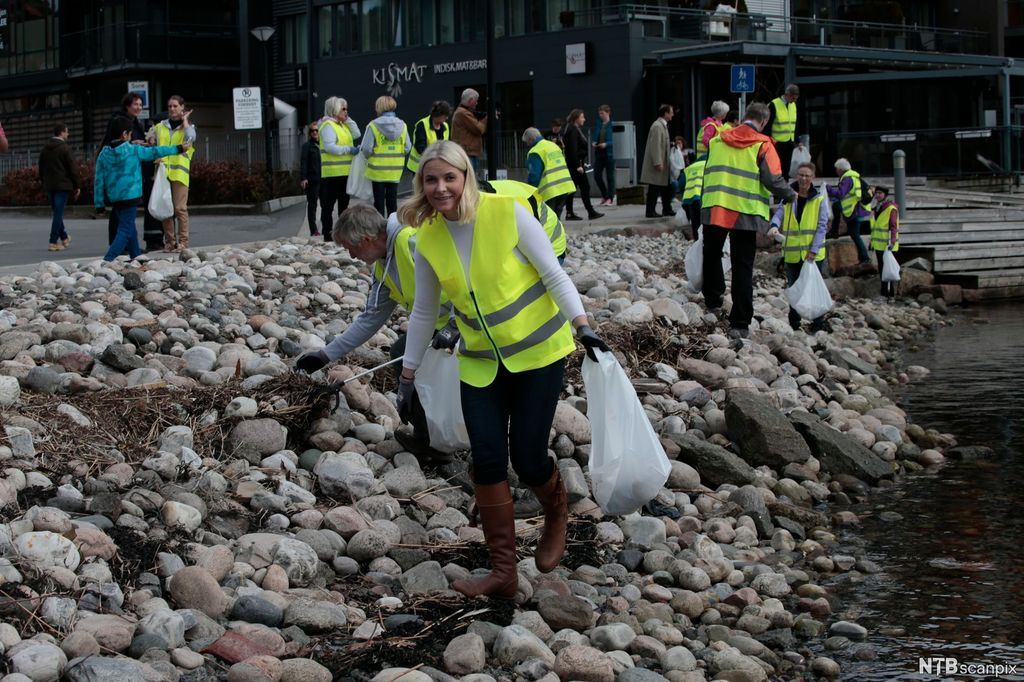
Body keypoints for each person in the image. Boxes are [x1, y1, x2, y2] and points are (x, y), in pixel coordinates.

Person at [396, 140, 610, 598]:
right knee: (488, 459)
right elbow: (423, 313)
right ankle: (503, 573)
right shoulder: (427, 238)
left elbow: (554, 274)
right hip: (480, 364)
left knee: (528, 458)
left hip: (538, 356)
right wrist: (408, 375)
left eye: (449, 177)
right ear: (421, 185)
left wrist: (583, 326)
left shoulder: (507, 213)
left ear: (465, 177)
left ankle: (556, 512)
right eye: (430, 180)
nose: (440, 188)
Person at [296, 204, 455, 462]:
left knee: (404, 355)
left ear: (367, 240)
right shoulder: (384, 264)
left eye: (351, 248)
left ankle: (435, 442)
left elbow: (461, 276)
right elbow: (371, 318)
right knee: (402, 353)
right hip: (435, 326)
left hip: (463, 324)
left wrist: (455, 325)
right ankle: (435, 436)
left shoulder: (410, 242)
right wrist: (324, 356)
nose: (352, 255)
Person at [701, 102, 796, 340]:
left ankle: (713, 300)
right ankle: (740, 322)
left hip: (715, 207)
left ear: (745, 116)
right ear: (763, 122)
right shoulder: (763, 145)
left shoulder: (717, 141)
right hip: (745, 213)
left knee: (711, 254)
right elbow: (773, 180)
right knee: (742, 266)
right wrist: (791, 195)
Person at [95, 118, 189, 262]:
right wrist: (178, 148)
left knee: (129, 225)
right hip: (131, 195)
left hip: (115, 197)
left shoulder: (104, 154)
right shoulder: (133, 150)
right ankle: (108, 259)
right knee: (125, 230)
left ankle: (135, 254)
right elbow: (156, 151)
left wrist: (99, 204)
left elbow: (98, 180)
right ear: (125, 134)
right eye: (130, 134)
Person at [768, 162, 830, 332]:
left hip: (812, 254)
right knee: (794, 288)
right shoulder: (789, 196)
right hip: (793, 252)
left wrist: (814, 250)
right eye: (801, 175)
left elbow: (821, 226)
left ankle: (818, 324)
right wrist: (774, 225)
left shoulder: (819, 199)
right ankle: (794, 324)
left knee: (813, 288)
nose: (803, 178)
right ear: (796, 176)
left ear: (813, 177)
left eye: (807, 175)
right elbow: (780, 213)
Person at [100, 92, 162, 251]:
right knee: (121, 211)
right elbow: (112, 143)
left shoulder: (136, 123)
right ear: (127, 105)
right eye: (135, 104)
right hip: (121, 172)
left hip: (131, 171)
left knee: (126, 213)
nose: (138, 107)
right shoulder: (118, 121)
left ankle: (131, 249)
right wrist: (129, 144)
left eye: (141, 105)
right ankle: (116, 248)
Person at [481, 179, 568, 264]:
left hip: (552, 247)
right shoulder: (483, 197)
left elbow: (532, 239)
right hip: (536, 239)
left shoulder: (512, 203)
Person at [154, 95, 197, 252]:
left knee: (180, 208)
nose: (171, 109)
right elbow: (151, 140)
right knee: (166, 208)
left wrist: (185, 120)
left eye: (175, 106)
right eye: (170, 106)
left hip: (180, 173)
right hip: (163, 172)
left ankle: (183, 242)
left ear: (182, 108)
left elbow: (191, 138)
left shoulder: (188, 127)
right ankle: (170, 242)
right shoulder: (160, 126)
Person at [318, 96, 362, 241]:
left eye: (346, 109)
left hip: (344, 173)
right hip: (332, 174)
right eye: (343, 109)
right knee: (328, 206)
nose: (346, 111)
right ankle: (328, 235)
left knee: (344, 206)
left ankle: (343, 234)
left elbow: (357, 133)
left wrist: (347, 118)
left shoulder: (341, 125)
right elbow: (331, 147)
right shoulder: (328, 126)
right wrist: (349, 150)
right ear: (334, 109)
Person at [361, 95, 410, 218]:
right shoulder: (403, 125)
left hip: (377, 170)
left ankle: (380, 229)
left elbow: (366, 148)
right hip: (395, 170)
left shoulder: (373, 125)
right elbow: (408, 147)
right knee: (392, 201)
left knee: (378, 202)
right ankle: (393, 228)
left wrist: (369, 156)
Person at [38, 123, 80, 252]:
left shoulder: (45, 148)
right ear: (62, 132)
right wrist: (77, 185)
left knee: (56, 212)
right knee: (58, 213)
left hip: (50, 185)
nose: (68, 134)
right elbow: (73, 168)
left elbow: (41, 168)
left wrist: (43, 181)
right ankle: (53, 241)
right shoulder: (65, 148)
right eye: (67, 132)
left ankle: (64, 237)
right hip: (63, 185)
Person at [522, 127, 575, 219]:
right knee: (556, 219)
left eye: (527, 142)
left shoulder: (535, 151)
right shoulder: (553, 145)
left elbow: (534, 175)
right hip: (564, 186)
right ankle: (557, 233)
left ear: (531, 139)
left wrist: (530, 193)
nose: (527, 144)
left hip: (550, 191)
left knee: (547, 220)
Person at [826, 158, 871, 264]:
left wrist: (828, 189)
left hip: (854, 210)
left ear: (841, 169)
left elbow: (841, 194)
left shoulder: (847, 179)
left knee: (855, 234)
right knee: (836, 206)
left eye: (837, 169)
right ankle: (834, 231)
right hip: (857, 209)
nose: (836, 171)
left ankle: (865, 258)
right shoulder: (853, 176)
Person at [562, 109, 602, 221]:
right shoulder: (573, 130)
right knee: (585, 187)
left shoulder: (571, 129)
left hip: (575, 164)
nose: (584, 119)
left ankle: (570, 213)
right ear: (576, 118)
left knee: (572, 189)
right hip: (576, 165)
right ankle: (590, 212)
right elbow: (573, 150)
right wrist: (578, 165)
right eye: (582, 117)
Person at [641, 104, 676, 219]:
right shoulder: (657, 126)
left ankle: (667, 209)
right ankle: (650, 211)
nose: (672, 115)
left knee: (666, 187)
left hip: (663, 164)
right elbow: (655, 146)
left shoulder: (662, 126)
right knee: (654, 188)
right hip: (658, 164)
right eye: (671, 112)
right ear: (665, 113)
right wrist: (657, 162)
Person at [870, 186, 900, 299]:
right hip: (879, 244)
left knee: (888, 269)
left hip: (888, 244)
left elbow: (893, 226)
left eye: (880, 193)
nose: (877, 195)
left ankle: (889, 294)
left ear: (885, 195)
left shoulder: (890, 208)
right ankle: (884, 293)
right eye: (876, 193)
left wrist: (892, 241)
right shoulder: (877, 208)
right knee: (882, 269)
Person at [407, 100, 451, 174]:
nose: (447, 118)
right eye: (445, 115)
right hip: (419, 167)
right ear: (439, 114)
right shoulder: (422, 124)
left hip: (437, 166)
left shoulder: (445, 126)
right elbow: (420, 148)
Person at [451, 88, 487, 176]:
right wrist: (487, 118)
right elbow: (479, 129)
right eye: (476, 101)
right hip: (467, 153)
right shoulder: (462, 113)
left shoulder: (463, 112)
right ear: (471, 101)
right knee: (470, 180)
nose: (477, 103)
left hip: (468, 152)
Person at [767, 83, 799, 179]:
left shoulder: (793, 105)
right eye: (793, 98)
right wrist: (769, 140)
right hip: (777, 142)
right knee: (777, 167)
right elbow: (768, 125)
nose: (794, 101)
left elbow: (793, 124)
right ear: (787, 95)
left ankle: (784, 187)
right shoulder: (774, 104)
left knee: (786, 167)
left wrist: (797, 141)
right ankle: (777, 190)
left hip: (789, 141)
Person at [299, 122, 322, 237]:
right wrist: (303, 178)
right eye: (312, 131)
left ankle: (326, 227)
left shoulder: (323, 145)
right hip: (312, 180)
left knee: (326, 205)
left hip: (324, 179)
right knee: (312, 206)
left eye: (316, 130)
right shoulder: (307, 146)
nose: (314, 133)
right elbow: (303, 162)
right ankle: (314, 230)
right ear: (309, 133)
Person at [591, 104, 615, 206]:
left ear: (608, 113)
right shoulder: (599, 124)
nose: (601, 115)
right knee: (597, 175)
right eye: (599, 113)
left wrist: (607, 144)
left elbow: (616, 140)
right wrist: (594, 142)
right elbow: (595, 135)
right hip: (599, 152)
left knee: (610, 177)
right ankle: (605, 195)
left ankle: (610, 197)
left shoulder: (613, 124)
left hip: (609, 153)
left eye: (602, 113)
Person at [681, 152, 705, 240]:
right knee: (705, 224)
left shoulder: (690, 168)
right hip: (703, 198)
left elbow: (681, 183)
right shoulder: (709, 164)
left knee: (695, 223)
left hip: (689, 199)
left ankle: (697, 241)